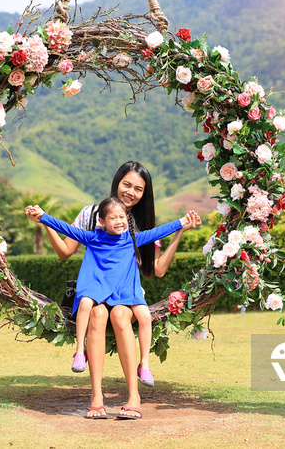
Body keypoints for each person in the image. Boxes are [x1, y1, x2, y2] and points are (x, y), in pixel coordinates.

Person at [42, 161, 201, 419]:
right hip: (97, 289)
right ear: (117, 181)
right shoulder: (91, 214)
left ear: (144, 194)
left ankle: (133, 397)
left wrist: (179, 232)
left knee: (118, 315)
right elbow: (65, 252)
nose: (131, 192)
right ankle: (96, 397)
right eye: (127, 184)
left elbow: (158, 269)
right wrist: (47, 224)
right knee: (97, 314)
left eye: (138, 189)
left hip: (126, 293)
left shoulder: (141, 225)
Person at [25, 199, 199, 384]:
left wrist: (182, 222)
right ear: (101, 221)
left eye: (122, 217)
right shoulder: (92, 237)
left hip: (124, 290)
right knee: (84, 302)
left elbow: (159, 231)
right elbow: (67, 229)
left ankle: (145, 365)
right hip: (97, 286)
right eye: (113, 217)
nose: (119, 221)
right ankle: (79, 352)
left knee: (145, 316)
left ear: (128, 218)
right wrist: (43, 217)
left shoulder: (133, 238)